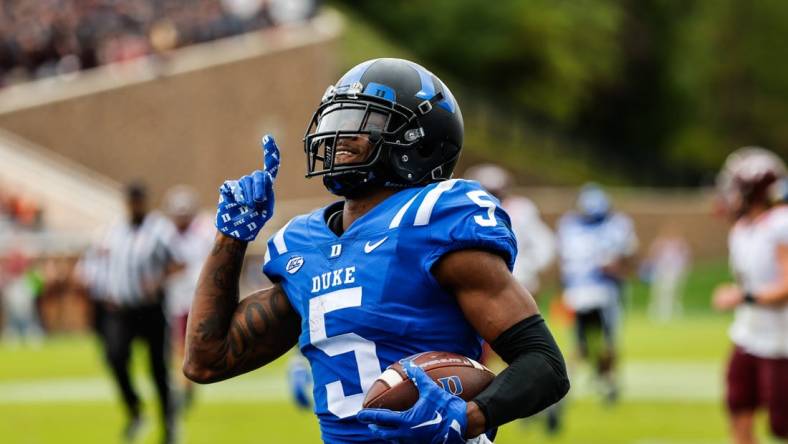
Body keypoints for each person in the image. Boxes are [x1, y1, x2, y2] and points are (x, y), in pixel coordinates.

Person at [183, 58, 569, 443]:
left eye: (364, 122)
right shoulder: (304, 245)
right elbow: (206, 359)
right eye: (338, 119)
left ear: (419, 141)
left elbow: (545, 364)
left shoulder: (432, 221)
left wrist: (468, 418)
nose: (340, 136)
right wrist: (230, 238)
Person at [76, 183, 183, 444]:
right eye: (130, 202)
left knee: (158, 369)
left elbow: (178, 262)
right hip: (120, 309)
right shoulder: (114, 230)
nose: (134, 207)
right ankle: (134, 410)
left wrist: (156, 283)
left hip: (150, 309)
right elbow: (99, 261)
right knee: (114, 357)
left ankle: (169, 425)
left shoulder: (160, 229)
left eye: (138, 202)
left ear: (145, 202)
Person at [711, 147, 788, 444]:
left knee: (781, 426)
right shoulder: (742, 229)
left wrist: (742, 297)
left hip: (781, 341)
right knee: (737, 408)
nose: (729, 194)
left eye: (735, 187)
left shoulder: (780, 224)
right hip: (749, 335)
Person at [556, 183, 637, 403]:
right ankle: (607, 382)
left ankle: (581, 382)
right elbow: (625, 259)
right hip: (600, 291)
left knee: (585, 342)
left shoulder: (569, 226)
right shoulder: (616, 225)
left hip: (579, 292)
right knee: (605, 341)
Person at [463, 163, 555, 296]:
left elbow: (545, 243)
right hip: (481, 280)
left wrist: (527, 266)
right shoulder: (467, 210)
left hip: (518, 280)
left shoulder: (521, 209)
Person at [162, 185, 214, 411]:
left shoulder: (204, 231)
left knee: (193, 344)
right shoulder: (165, 233)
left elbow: (207, 263)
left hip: (197, 296)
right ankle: (186, 384)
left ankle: (187, 383)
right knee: (179, 346)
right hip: (175, 297)